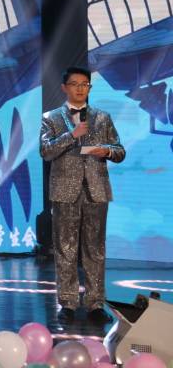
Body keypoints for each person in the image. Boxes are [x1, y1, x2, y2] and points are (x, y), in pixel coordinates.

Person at [40, 66, 125, 325]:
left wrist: (106, 151)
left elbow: (120, 150)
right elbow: (46, 151)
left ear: (89, 87)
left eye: (85, 84)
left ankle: (95, 303)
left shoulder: (102, 117)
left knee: (95, 249)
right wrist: (71, 135)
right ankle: (67, 302)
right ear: (64, 87)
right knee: (65, 248)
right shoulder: (51, 118)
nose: (80, 88)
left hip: (96, 190)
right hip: (65, 192)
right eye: (75, 84)